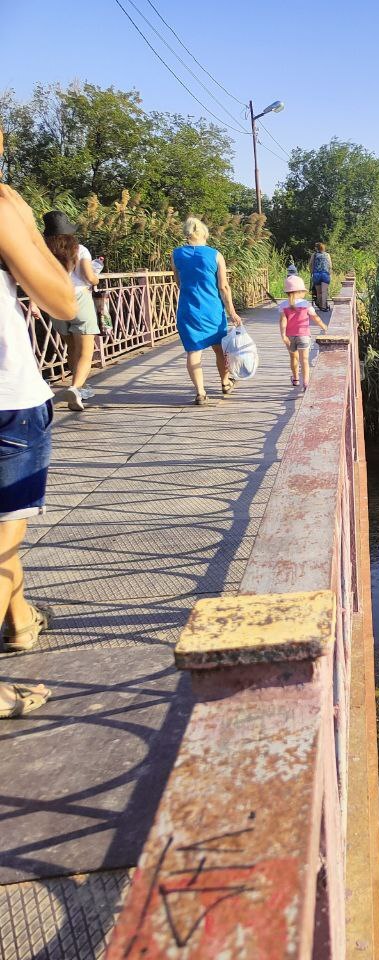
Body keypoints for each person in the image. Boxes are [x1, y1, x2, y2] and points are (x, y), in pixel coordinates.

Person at [0, 122, 77, 716]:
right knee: (4, 532)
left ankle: (22, 622)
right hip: (5, 398)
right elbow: (62, 298)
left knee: (9, 522)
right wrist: (21, 219)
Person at [172, 217, 243, 405]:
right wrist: (232, 312)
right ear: (204, 233)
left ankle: (200, 393)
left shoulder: (176, 254)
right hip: (212, 309)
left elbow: (178, 282)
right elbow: (224, 287)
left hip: (188, 309)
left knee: (193, 351)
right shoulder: (215, 255)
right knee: (220, 349)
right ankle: (225, 382)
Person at [41, 211, 101, 412]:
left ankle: (81, 388)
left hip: (55, 300)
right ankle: (75, 388)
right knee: (85, 352)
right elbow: (88, 277)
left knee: (72, 349)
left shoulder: (42, 252)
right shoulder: (80, 249)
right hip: (79, 299)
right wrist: (96, 278)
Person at [278, 274, 327, 390]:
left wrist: (283, 336)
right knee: (304, 360)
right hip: (304, 336)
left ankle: (295, 379)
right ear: (299, 291)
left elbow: (283, 321)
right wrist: (324, 326)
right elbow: (315, 317)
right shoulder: (305, 304)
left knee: (293, 358)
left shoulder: (283, 305)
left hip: (290, 336)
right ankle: (306, 383)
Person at [309, 242, 332, 312]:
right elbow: (330, 265)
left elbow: (310, 264)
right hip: (325, 274)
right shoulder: (327, 255)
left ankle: (321, 306)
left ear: (317, 248)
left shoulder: (314, 255)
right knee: (324, 291)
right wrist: (329, 273)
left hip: (317, 275)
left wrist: (312, 272)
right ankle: (324, 306)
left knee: (319, 292)